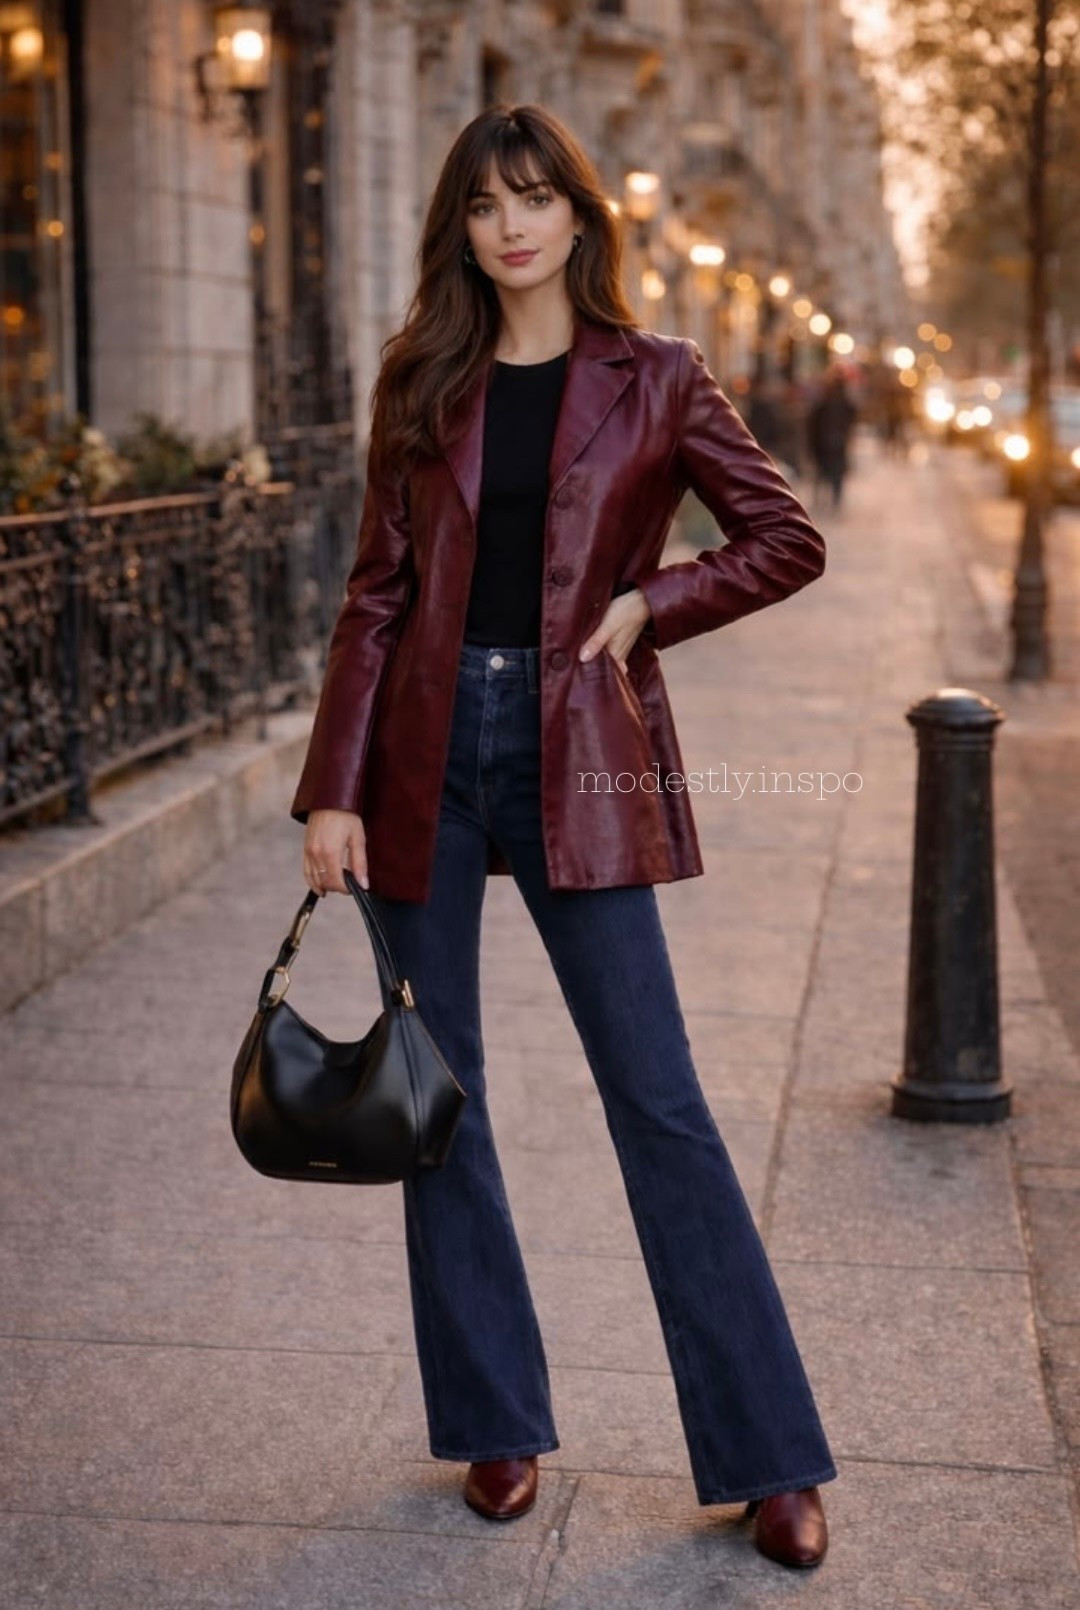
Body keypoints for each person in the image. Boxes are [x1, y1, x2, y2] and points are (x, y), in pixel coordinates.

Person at [291, 103, 836, 1571]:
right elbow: (376, 595)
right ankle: (495, 1418)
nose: (511, 226)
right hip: (425, 753)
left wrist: (654, 601)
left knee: (658, 1096)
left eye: (534, 198)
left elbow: (785, 538)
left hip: (578, 747)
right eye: (484, 205)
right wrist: (333, 786)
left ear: (581, 216)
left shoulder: (658, 376)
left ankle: (770, 1454)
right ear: (460, 229)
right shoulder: (424, 375)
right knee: (436, 1092)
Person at [807, 368, 858, 510]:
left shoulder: (838, 402)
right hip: (826, 442)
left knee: (832, 471)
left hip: (833, 441)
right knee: (826, 470)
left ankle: (833, 497)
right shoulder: (825, 403)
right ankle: (829, 498)